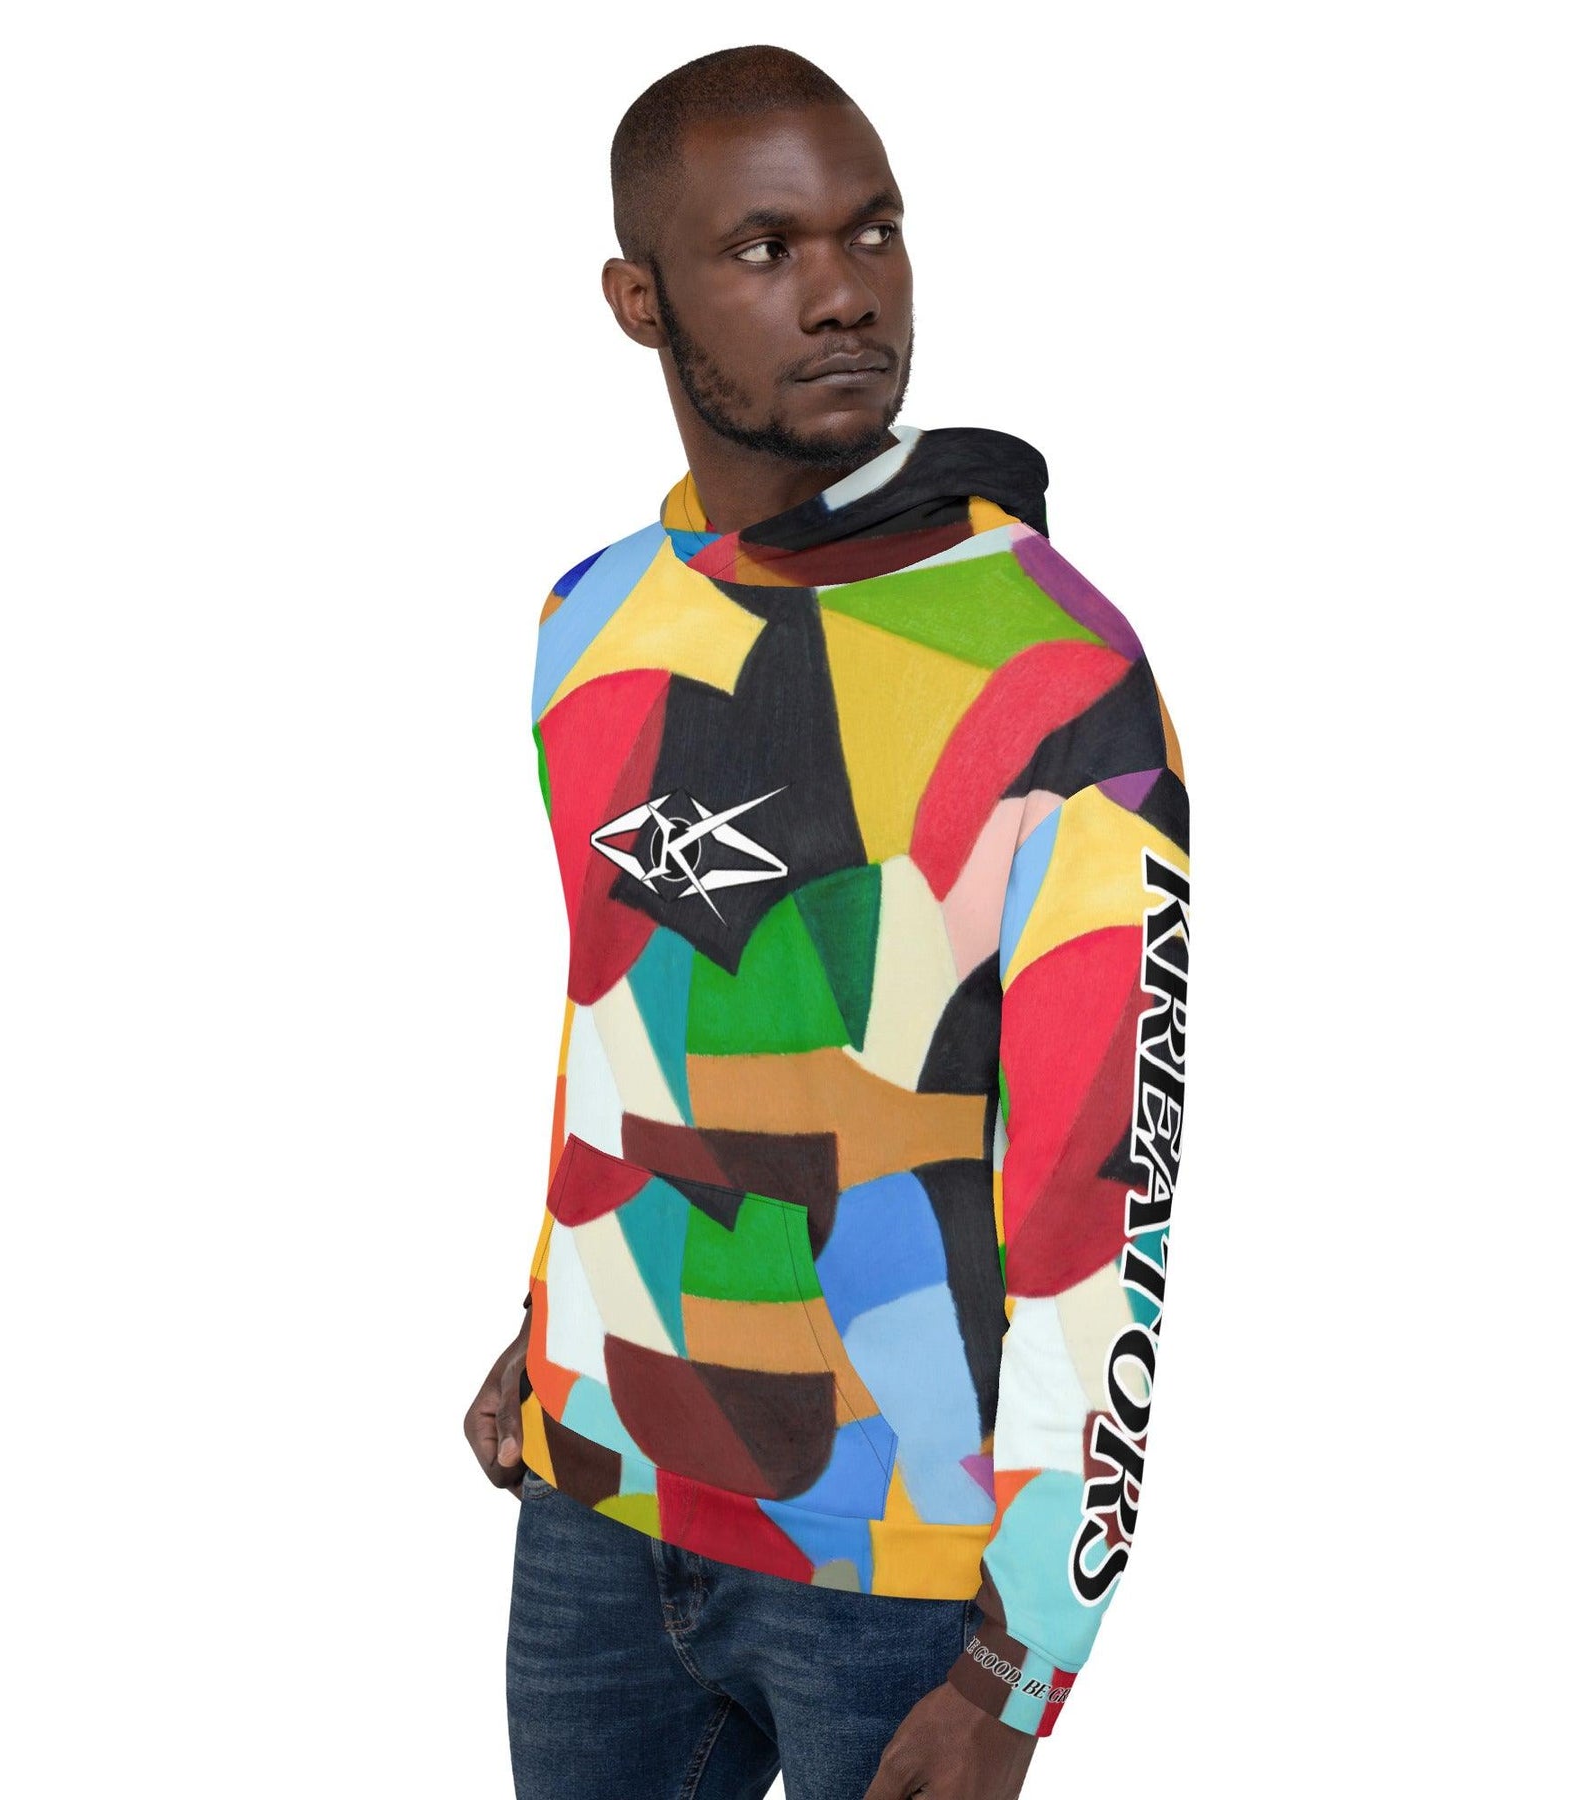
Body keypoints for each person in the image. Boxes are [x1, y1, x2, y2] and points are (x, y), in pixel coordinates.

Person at [464, 43, 1191, 1800]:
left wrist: (1026, 1652)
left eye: (874, 231)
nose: (848, 290)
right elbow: (627, 1026)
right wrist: (558, 1322)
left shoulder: (1056, 676)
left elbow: (1105, 1203)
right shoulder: (589, 625)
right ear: (640, 301)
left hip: (897, 1572)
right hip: (597, 1497)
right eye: (765, 248)